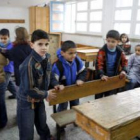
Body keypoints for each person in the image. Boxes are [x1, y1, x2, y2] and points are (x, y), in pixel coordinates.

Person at [17, 29, 64, 140]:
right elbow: (30, 89)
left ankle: (46, 136)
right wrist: (47, 94)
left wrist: (55, 83)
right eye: (40, 44)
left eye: (46, 44)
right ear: (32, 45)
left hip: (39, 97)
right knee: (27, 129)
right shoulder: (28, 65)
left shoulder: (47, 57)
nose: (44, 47)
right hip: (27, 101)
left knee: (42, 121)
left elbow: (50, 74)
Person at [52, 40, 87, 112]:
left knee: (75, 106)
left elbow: (83, 71)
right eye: (70, 53)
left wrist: (80, 79)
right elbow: (53, 79)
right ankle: (60, 123)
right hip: (63, 91)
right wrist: (58, 85)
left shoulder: (77, 60)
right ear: (62, 53)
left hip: (75, 88)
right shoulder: (58, 65)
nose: (74, 55)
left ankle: (75, 121)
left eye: (75, 53)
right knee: (63, 107)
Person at [95, 30, 128, 99]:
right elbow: (99, 64)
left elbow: (125, 62)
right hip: (101, 78)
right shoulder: (102, 51)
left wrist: (123, 70)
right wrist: (101, 74)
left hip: (112, 78)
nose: (110, 43)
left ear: (118, 42)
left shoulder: (120, 52)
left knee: (109, 97)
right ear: (106, 40)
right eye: (108, 41)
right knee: (99, 97)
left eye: (113, 41)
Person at [0, 28, 17, 99]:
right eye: (1, 38)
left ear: (8, 37)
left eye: (5, 38)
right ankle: (16, 94)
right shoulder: (1, 45)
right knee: (9, 82)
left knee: (3, 85)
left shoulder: (11, 46)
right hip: (2, 67)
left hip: (8, 68)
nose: (3, 40)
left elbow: (8, 53)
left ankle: (1, 99)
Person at [0, 52, 9, 128]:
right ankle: (3, 122)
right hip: (1, 80)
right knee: (1, 102)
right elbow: (6, 62)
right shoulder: (1, 54)